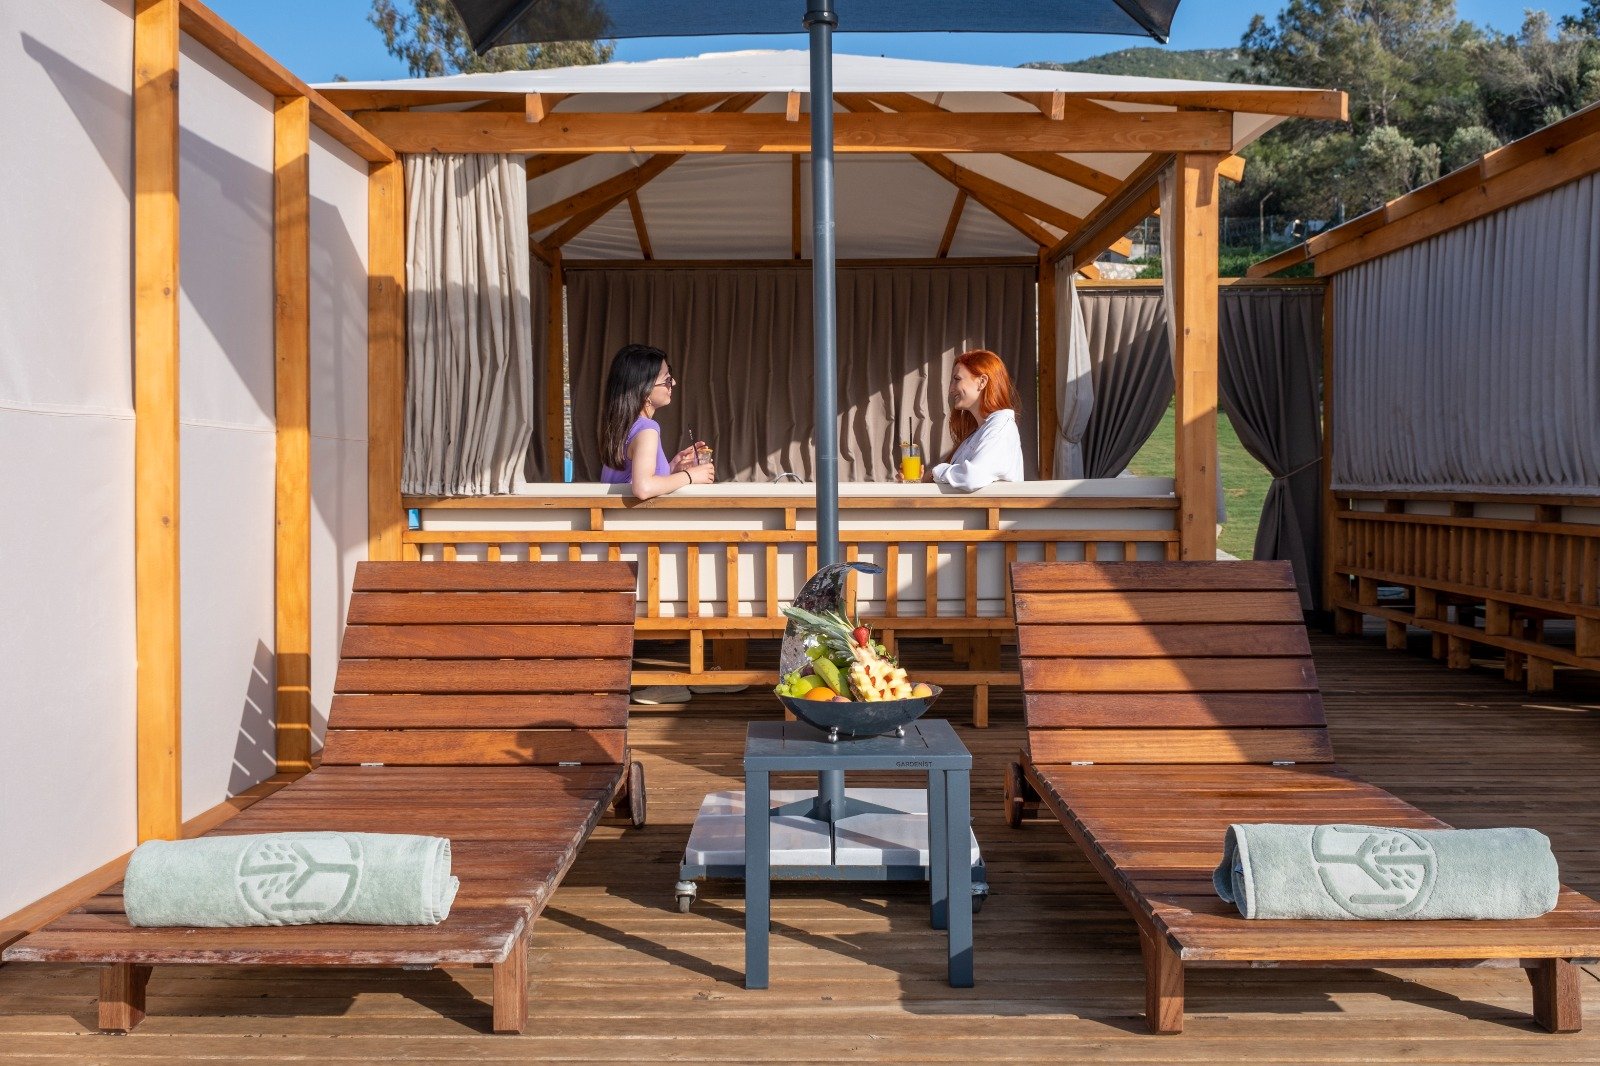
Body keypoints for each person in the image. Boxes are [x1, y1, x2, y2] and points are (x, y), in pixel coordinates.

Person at [598, 343, 713, 498]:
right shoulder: (647, 429)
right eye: (667, 379)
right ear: (644, 390)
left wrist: (672, 468)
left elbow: (631, 480)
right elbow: (643, 488)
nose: (673, 383)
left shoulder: (622, 427)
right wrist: (690, 476)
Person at [931, 349, 1025, 491]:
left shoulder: (1000, 427)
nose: (950, 389)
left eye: (957, 379)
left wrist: (935, 473)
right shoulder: (978, 432)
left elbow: (972, 477)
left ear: (982, 382)